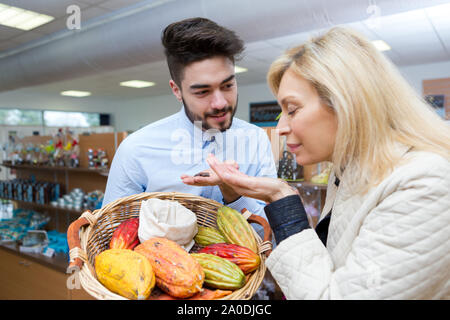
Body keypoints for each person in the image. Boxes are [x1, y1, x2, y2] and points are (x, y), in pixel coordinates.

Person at [203, 27, 450, 299]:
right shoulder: (348, 171)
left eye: (292, 110)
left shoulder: (425, 182)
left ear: (345, 102)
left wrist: (284, 203)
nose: (281, 127)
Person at [102, 17, 277, 236]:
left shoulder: (256, 140)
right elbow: (112, 235)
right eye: (202, 92)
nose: (220, 103)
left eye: (228, 85)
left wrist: (232, 194)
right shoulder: (136, 149)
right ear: (177, 90)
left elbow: (268, 239)